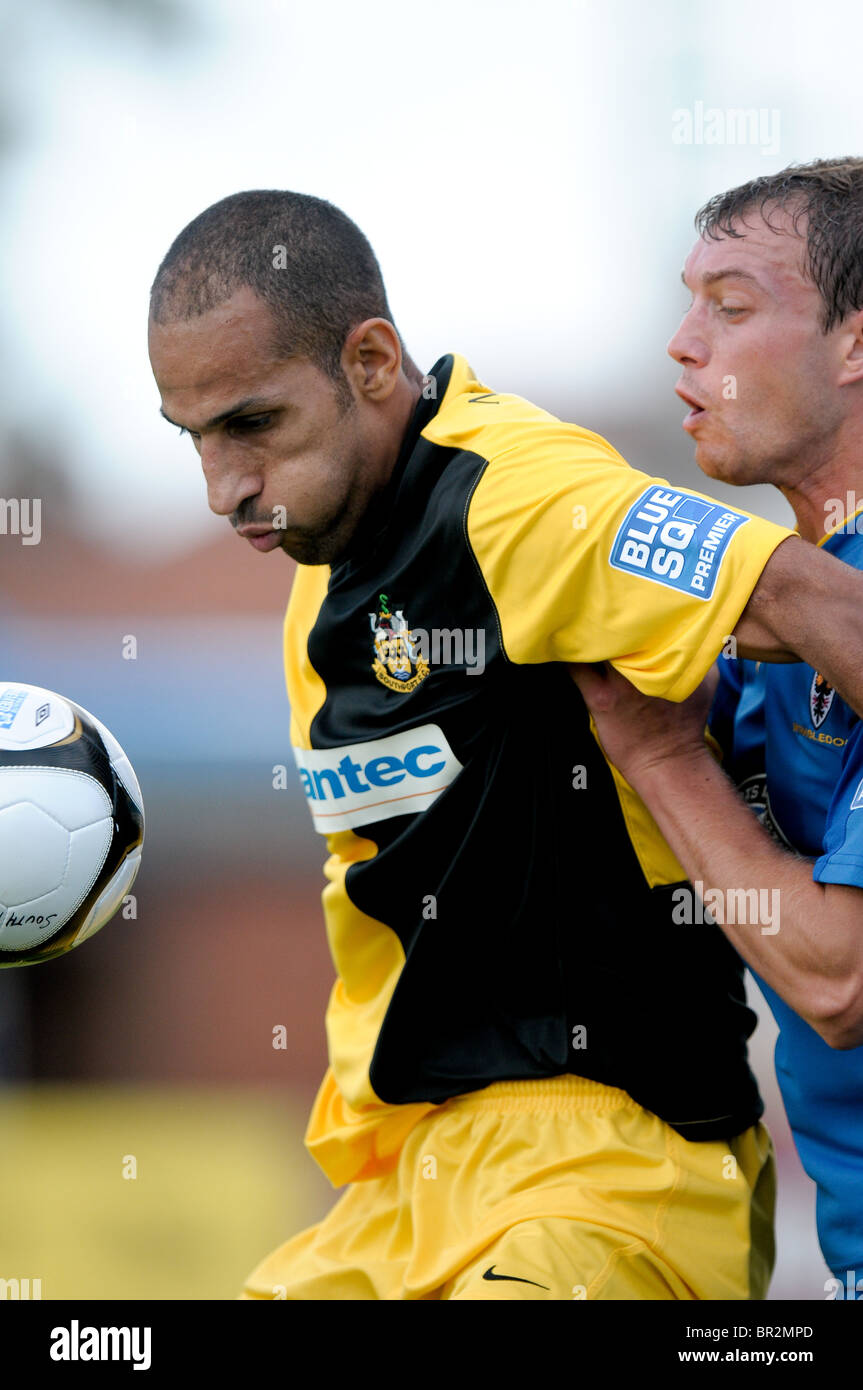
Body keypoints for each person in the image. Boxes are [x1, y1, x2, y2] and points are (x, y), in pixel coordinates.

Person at [149, 189, 863, 1300]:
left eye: (252, 424)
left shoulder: (516, 496)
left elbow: (823, 608)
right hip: (401, 1195)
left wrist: (664, 757)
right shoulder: (316, 587)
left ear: (373, 361)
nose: (222, 487)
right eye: (192, 438)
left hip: (601, 1176)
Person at [571, 158, 863, 1298]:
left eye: (730, 306)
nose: (681, 343)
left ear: (853, 344)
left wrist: (651, 752)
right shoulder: (774, 610)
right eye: (687, 301)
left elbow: (836, 980)